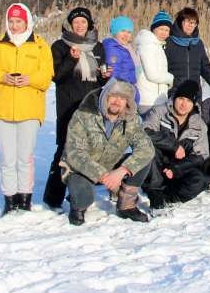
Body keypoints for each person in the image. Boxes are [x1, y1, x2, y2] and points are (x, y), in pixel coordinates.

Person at [0, 3, 53, 214]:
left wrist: (29, 79)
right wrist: (2, 77)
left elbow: (46, 76)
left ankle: (25, 198)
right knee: (7, 157)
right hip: (2, 109)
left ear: (27, 22)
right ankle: (9, 200)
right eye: (11, 21)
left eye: (18, 21)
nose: (14, 25)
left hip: (29, 109)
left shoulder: (40, 46)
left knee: (25, 157)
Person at [61, 79, 154, 225]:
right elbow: (75, 154)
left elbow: (146, 148)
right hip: (80, 169)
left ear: (127, 103)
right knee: (85, 198)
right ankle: (76, 202)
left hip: (110, 165)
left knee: (144, 160)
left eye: (123, 98)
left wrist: (122, 170)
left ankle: (126, 205)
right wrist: (103, 176)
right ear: (105, 96)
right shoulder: (83, 115)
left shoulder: (131, 119)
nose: (117, 101)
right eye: (114, 96)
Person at [42, 6, 109, 209]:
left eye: (83, 22)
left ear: (89, 24)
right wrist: (72, 58)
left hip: (91, 105)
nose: (80, 25)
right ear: (70, 25)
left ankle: (77, 192)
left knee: (89, 149)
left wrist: (104, 77)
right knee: (64, 149)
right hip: (68, 105)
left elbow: (100, 81)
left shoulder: (97, 47)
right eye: (76, 22)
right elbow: (57, 76)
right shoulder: (59, 46)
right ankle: (53, 197)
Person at [143, 80, 210, 209]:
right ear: (175, 97)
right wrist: (173, 145)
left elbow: (201, 155)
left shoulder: (199, 124)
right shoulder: (159, 112)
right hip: (156, 166)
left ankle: (166, 197)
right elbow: (144, 132)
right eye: (181, 99)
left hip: (177, 170)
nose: (184, 104)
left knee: (201, 180)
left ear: (194, 104)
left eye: (189, 101)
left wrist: (177, 169)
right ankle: (155, 193)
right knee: (150, 148)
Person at [165, 7, 210, 96]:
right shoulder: (169, 42)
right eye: (188, 21)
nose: (191, 25)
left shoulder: (198, 44)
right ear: (180, 21)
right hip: (175, 95)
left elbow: (206, 69)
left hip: (194, 94)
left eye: (194, 22)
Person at [135, 11, 174, 115]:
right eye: (161, 29)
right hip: (148, 101)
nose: (164, 33)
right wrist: (171, 79)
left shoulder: (157, 45)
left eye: (167, 30)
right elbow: (152, 74)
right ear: (153, 29)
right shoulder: (148, 45)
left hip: (156, 100)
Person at [102, 16, 140, 104]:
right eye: (122, 31)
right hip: (121, 94)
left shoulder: (126, 48)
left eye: (129, 32)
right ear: (115, 32)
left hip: (128, 90)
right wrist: (124, 94)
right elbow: (114, 74)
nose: (126, 35)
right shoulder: (113, 48)